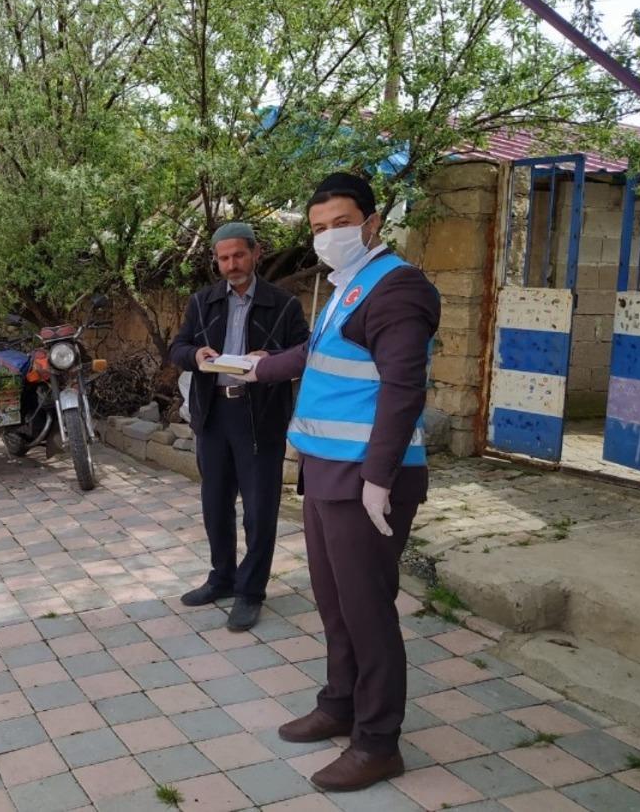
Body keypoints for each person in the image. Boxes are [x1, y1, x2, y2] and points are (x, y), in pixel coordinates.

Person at [240, 172, 440, 791]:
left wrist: (379, 477)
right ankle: (340, 704)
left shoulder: (398, 288)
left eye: (340, 224)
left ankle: (378, 743)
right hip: (326, 473)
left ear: (372, 223)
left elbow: (404, 387)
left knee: (367, 612)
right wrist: (258, 367)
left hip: (367, 482)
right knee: (334, 605)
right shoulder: (345, 286)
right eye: (319, 229)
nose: (329, 238)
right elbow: (317, 355)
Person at [169, 222, 310, 631]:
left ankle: (251, 591)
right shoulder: (201, 302)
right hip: (213, 415)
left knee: (259, 509)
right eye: (224, 258)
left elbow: (304, 354)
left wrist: (271, 358)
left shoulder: (284, 305)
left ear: (255, 253)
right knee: (215, 505)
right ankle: (222, 578)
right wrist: (196, 354)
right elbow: (177, 348)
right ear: (216, 259)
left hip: (259, 416)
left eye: (238, 255)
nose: (231, 265)